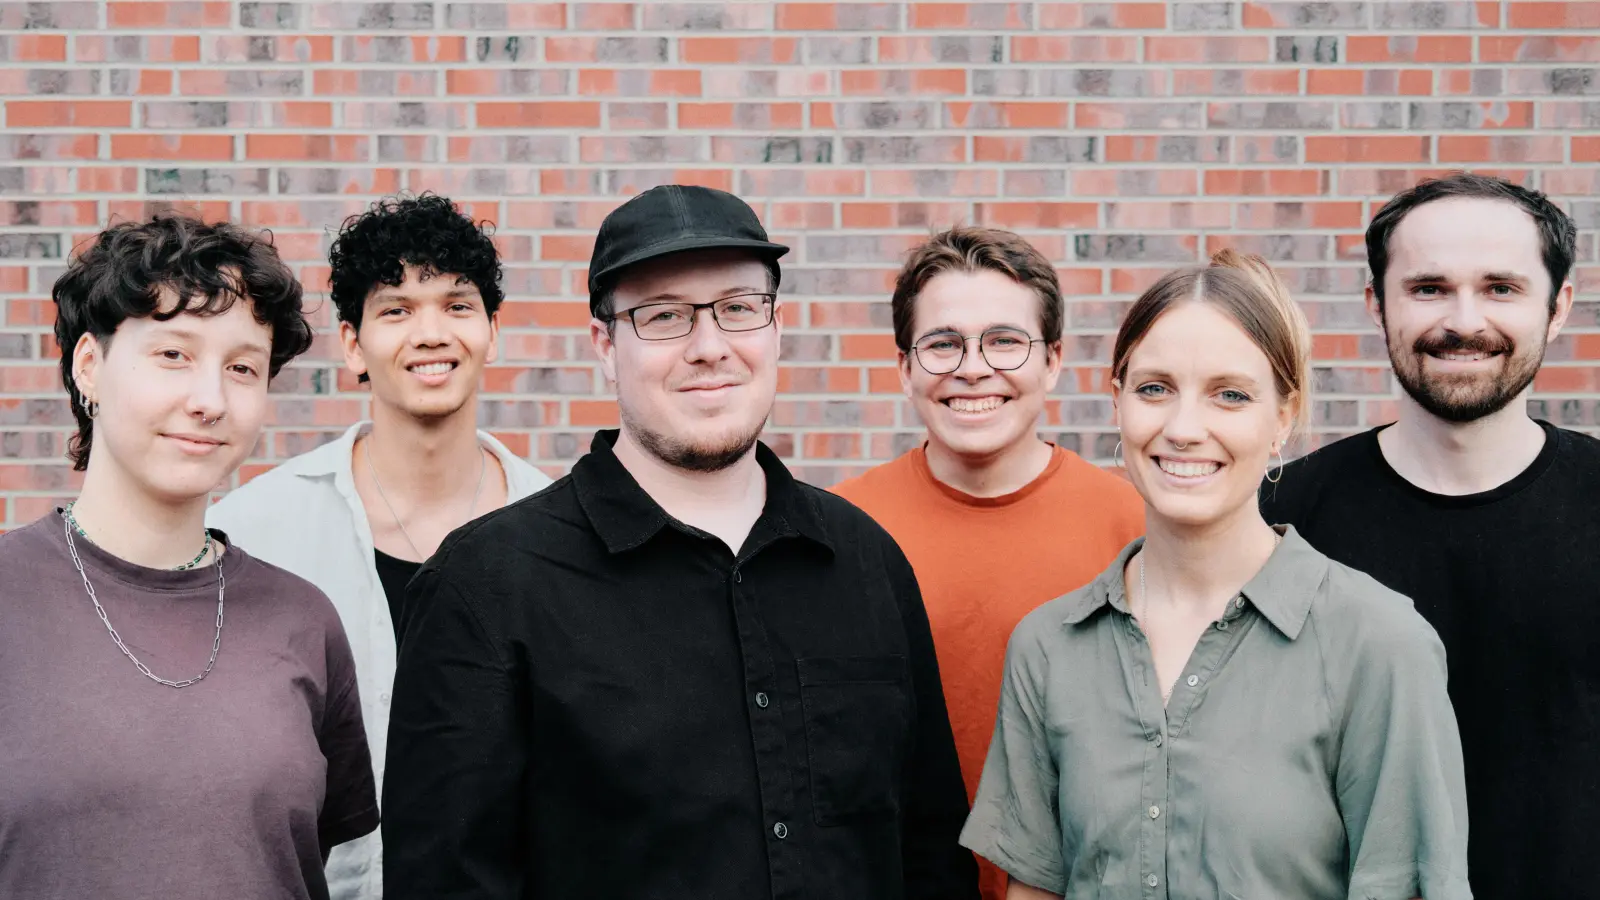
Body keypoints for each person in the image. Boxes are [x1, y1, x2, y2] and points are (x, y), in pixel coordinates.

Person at [381, 184, 979, 900]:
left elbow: (932, 856)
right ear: (605, 346)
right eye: (663, 317)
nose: (709, 347)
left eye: (737, 308)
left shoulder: (866, 562)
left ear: (776, 327)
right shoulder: (486, 586)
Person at [961, 251, 1471, 900]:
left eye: (1230, 395)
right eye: (1154, 389)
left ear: (1283, 417)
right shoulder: (1049, 647)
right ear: (1116, 403)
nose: (1184, 428)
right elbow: (1034, 890)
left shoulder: (1378, 643)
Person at [0, 215, 378, 900]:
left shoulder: (303, 621)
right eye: (173, 354)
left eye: (241, 368)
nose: (209, 401)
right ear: (90, 364)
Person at [207, 193, 552, 899]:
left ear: (493, 330)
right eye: (396, 309)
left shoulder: (560, 529)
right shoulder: (252, 532)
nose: (431, 333)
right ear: (353, 344)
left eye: (457, 305)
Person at [1261, 172, 1592, 898]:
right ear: (1378, 304)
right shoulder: (1281, 517)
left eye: (1500, 288)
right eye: (1429, 288)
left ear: (1558, 307)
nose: (1463, 320)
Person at [831, 226, 1143, 900]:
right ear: (904, 367)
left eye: (1005, 341)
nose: (973, 368)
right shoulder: (839, 531)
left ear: (1053, 361)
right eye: (942, 343)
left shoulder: (1134, 528)